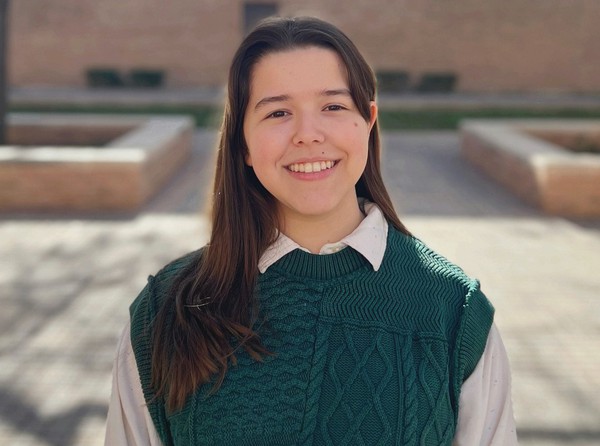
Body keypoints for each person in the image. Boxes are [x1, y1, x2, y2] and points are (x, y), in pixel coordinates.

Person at [105, 16, 517, 445]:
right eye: (278, 112)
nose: (308, 135)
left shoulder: (453, 311)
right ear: (243, 143)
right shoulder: (167, 311)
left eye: (333, 107)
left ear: (369, 120)